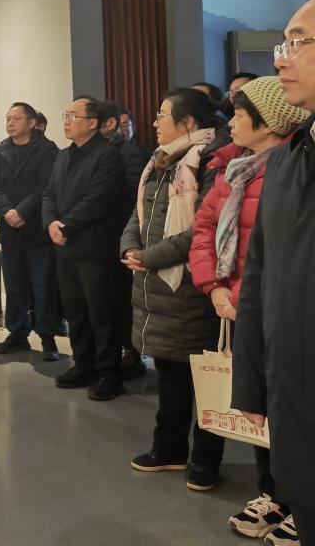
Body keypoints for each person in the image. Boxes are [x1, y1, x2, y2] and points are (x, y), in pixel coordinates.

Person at [190, 77, 310, 539]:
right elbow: (205, 227)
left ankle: (300, 501)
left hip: (270, 306)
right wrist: (213, 287)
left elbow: (282, 252)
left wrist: (241, 295)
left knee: (293, 409)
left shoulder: (291, 167)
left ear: (270, 123)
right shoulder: (233, 168)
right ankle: (275, 493)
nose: (233, 122)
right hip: (239, 304)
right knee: (259, 406)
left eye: (241, 114)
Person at [233, 0, 315, 546]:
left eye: (298, 43)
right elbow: (260, 276)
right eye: (282, 45)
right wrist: (252, 384)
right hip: (297, 403)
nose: (280, 59)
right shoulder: (286, 161)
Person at [120, 88, 226, 490]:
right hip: (157, 285)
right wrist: (130, 247)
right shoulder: (160, 161)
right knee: (170, 374)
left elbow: (203, 228)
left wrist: (151, 257)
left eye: (162, 115)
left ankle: (206, 460)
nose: (154, 122)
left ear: (188, 122)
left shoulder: (211, 161)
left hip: (193, 286)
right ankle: (169, 449)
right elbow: (138, 214)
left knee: (206, 380)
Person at [42, 96, 123, 399]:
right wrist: (51, 222)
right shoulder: (63, 156)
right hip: (65, 248)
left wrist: (66, 226)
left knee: (102, 314)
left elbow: (98, 199)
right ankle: (83, 364)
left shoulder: (107, 155)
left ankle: (109, 373)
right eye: (66, 114)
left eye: (73, 115)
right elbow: (48, 194)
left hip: (94, 248)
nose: (66, 120)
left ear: (92, 123)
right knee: (75, 311)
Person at [0, 102, 62, 361]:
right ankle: (17, 333)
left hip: (37, 228)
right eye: (7, 118)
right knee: (14, 285)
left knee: (43, 286)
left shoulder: (47, 150)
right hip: (10, 230)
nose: (10, 123)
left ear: (31, 123)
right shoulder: (1, 150)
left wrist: (21, 211)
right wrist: (7, 211)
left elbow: (45, 186)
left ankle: (48, 336)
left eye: (16, 118)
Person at [99, 101, 150, 380]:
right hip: (102, 238)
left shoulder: (130, 153)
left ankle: (132, 352)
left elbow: (133, 198)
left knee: (123, 300)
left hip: (120, 238)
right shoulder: (96, 152)